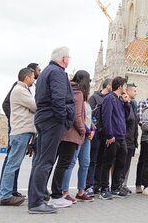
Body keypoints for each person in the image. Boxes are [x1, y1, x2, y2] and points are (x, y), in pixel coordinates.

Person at [27, 47, 75, 214]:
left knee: (40, 160)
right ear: (63, 59)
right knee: (46, 161)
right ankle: (36, 202)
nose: (69, 60)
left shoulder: (47, 71)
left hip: (44, 118)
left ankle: (36, 198)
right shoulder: (58, 72)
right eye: (68, 57)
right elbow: (59, 99)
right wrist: (63, 119)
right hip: (52, 120)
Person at [0, 67, 37, 206]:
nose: (34, 79)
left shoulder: (21, 90)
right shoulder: (20, 90)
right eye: (32, 77)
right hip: (21, 132)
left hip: (19, 131)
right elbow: (35, 106)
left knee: (12, 163)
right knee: (13, 164)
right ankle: (5, 195)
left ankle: (4, 193)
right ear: (27, 78)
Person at [57, 70, 93, 205]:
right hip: (77, 133)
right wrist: (84, 130)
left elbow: (88, 117)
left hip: (86, 134)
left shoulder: (84, 97)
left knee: (85, 162)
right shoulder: (75, 93)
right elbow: (77, 117)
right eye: (88, 81)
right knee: (70, 162)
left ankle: (81, 191)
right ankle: (64, 191)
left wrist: (92, 129)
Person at [99, 76, 129, 200]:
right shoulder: (109, 99)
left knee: (121, 163)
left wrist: (127, 103)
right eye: (125, 85)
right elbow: (106, 117)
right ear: (120, 86)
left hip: (121, 136)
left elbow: (125, 116)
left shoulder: (120, 100)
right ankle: (104, 189)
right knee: (107, 163)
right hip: (113, 137)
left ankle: (115, 188)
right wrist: (109, 135)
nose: (126, 88)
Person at [86, 78, 112, 196]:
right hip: (95, 133)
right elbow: (89, 115)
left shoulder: (111, 99)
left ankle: (97, 184)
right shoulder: (95, 97)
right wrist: (92, 129)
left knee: (101, 160)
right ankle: (89, 185)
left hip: (104, 134)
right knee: (93, 160)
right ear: (108, 86)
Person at [119, 83, 139, 195]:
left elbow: (135, 122)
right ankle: (119, 185)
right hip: (125, 137)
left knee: (127, 164)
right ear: (128, 91)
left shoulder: (133, 104)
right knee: (122, 163)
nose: (136, 93)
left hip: (131, 138)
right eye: (134, 91)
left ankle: (123, 184)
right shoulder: (123, 103)